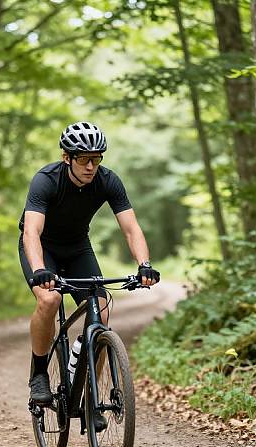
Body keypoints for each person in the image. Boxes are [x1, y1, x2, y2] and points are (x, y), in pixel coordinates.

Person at [18, 121, 160, 418]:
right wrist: (41, 270)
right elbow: (32, 231)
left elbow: (131, 228)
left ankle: (86, 393)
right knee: (49, 299)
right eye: (83, 159)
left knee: (101, 312)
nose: (91, 166)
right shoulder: (46, 180)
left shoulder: (108, 181)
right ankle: (39, 374)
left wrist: (144, 264)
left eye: (97, 158)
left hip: (77, 247)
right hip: (43, 247)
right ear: (66, 158)